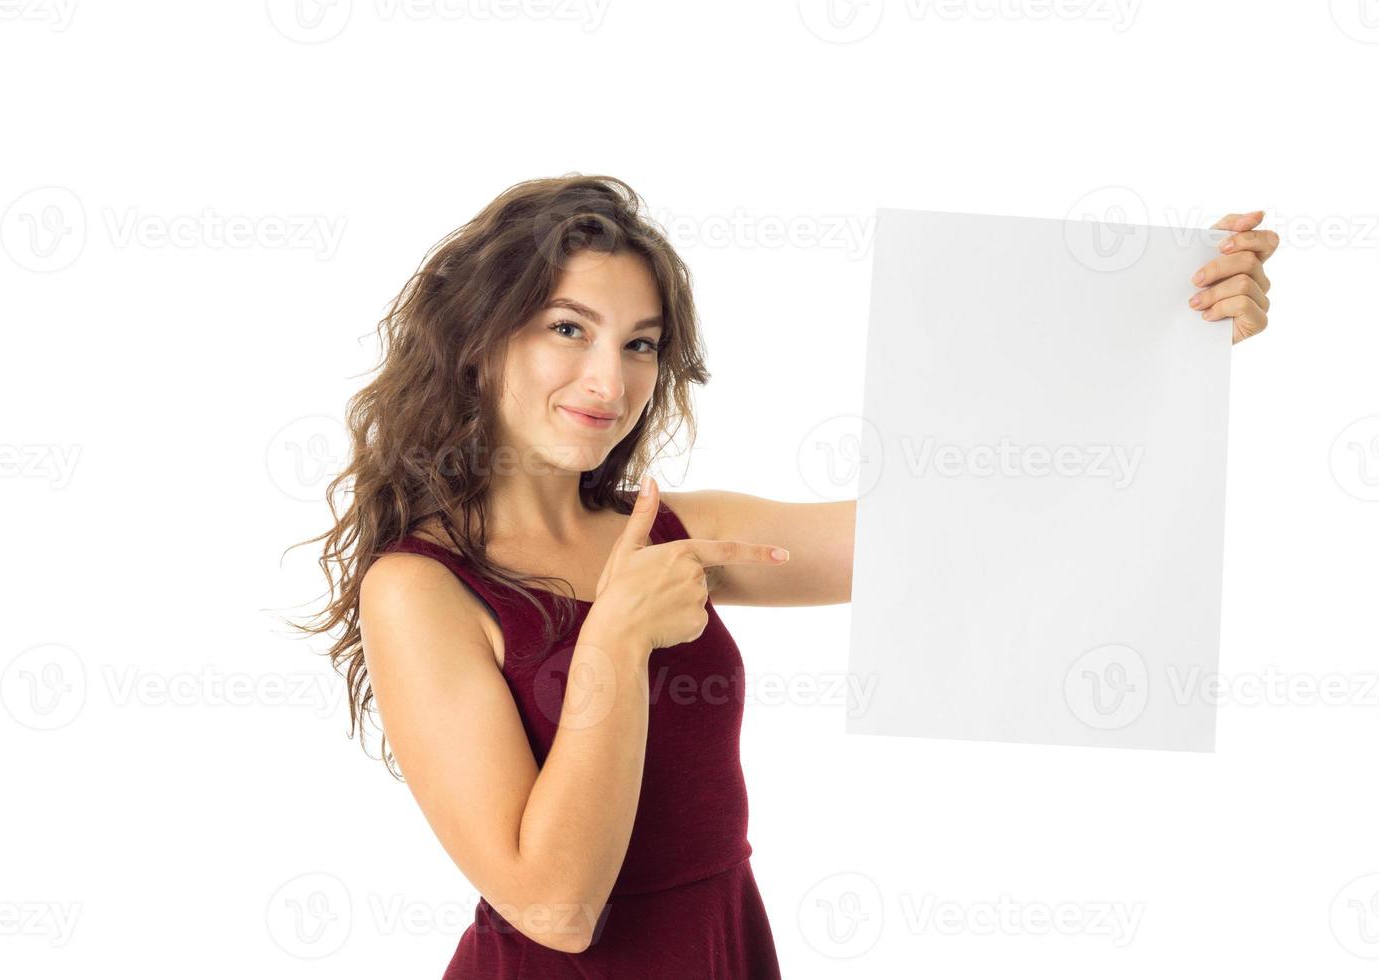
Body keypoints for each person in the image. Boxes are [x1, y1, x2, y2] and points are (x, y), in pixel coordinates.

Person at [290, 175, 1278, 976]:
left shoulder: (676, 531)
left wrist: (1174, 351)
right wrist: (616, 640)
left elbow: (958, 531)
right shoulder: (420, 590)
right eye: (567, 328)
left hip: (723, 946)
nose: (611, 380)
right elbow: (555, 910)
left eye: (640, 344)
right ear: (475, 340)